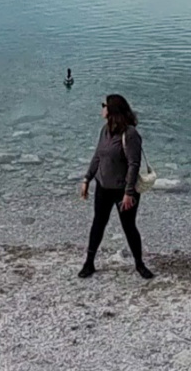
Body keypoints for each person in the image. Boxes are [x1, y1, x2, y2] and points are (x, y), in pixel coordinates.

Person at [78, 93, 154, 280]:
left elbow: (134, 165)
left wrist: (129, 193)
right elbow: (97, 156)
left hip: (124, 191)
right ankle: (89, 263)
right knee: (98, 224)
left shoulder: (130, 134)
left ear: (112, 110)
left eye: (104, 105)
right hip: (103, 187)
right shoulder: (105, 130)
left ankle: (139, 264)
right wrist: (87, 179)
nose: (102, 108)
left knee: (129, 226)